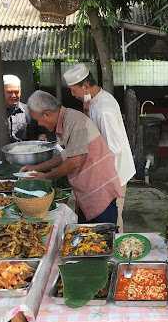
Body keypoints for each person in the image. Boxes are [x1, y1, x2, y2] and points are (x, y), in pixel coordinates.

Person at [20, 90, 122, 224]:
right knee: (86, 235)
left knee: (103, 235)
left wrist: (46, 177)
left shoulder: (74, 122)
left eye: (38, 120)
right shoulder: (68, 119)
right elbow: (66, 155)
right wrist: (35, 167)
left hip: (100, 190)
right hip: (89, 190)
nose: (39, 124)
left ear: (47, 114)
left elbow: (74, 162)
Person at [62, 64, 135, 231]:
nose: (72, 95)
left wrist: (101, 181)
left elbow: (113, 149)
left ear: (86, 86)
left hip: (114, 174)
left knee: (112, 223)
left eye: (74, 90)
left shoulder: (104, 109)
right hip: (106, 172)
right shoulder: (94, 100)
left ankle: (116, 252)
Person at [0, 75, 45, 160]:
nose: (14, 95)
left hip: (24, 162)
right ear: (1, 92)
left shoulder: (29, 111)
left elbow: (40, 134)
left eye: (17, 92)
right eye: (9, 92)